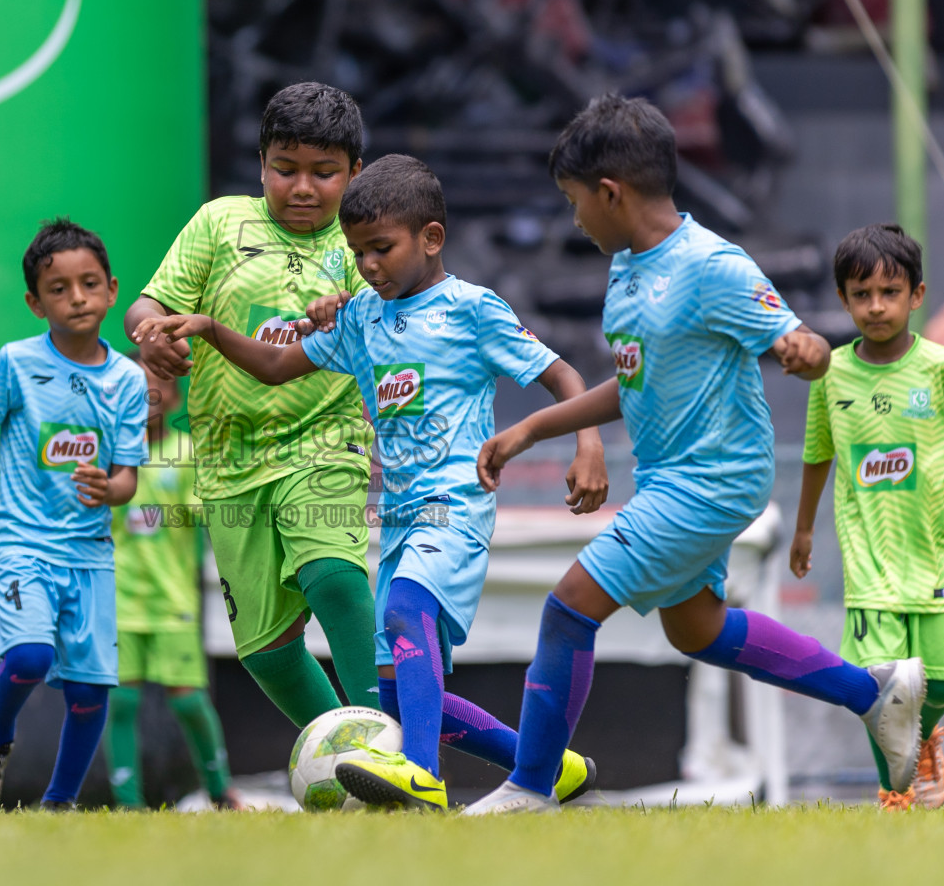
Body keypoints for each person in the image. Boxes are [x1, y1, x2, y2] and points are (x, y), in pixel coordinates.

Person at [463, 94, 929, 815]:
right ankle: (874, 694)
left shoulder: (713, 265)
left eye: (575, 200)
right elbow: (637, 381)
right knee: (697, 629)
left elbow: (790, 340)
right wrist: (536, 428)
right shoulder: (626, 267)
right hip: (670, 481)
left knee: (568, 610)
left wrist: (801, 351)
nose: (575, 217)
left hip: (711, 483)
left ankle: (530, 786)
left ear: (611, 193)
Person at [135, 153, 606, 811]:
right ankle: (551, 767)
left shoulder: (472, 309)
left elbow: (562, 375)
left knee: (404, 609)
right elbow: (274, 365)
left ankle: (418, 775)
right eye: (358, 254)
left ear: (431, 239)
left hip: (457, 502)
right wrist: (212, 329)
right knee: (399, 694)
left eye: (381, 249)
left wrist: (587, 443)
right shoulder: (360, 318)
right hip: (403, 512)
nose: (369, 266)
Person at [123, 82, 381, 727]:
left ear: (354, 174)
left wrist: (348, 308)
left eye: (324, 173)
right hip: (229, 460)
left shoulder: (362, 243)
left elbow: (393, 312)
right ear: (261, 163)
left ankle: (394, 748)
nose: (302, 187)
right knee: (266, 651)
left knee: (336, 579)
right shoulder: (218, 222)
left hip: (326, 442)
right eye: (285, 169)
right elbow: (150, 304)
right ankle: (350, 755)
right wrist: (149, 333)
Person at [0, 218, 147, 811]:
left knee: (90, 689)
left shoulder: (128, 380)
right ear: (34, 301)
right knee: (29, 657)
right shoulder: (16, 363)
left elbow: (127, 476)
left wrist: (112, 488)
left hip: (91, 554)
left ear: (112, 289)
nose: (76, 297)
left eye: (90, 284)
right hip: (23, 543)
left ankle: (60, 804)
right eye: (59, 288)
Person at [792, 223, 944, 811]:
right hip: (869, 567)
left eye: (889, 292)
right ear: (843, 299)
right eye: (861, 294)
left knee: (942, 683)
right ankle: (895, 794)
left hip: (934, 559)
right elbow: (818, 456)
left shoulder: (943, 371)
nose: (875, 306)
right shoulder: (830, 374)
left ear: (916, 295)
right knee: (880, 690)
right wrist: (804, 527)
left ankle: (925, 737)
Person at [103, 357, 241, 810]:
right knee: (121, 704)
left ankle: (221, 791)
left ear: (176, 395)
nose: (146, 396)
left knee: (187, 703)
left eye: (157, 384)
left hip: (174, 602)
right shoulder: (106, 454)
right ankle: (128, 806)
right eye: (134, 386)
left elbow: (208, 515)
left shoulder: (186, 452)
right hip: (119, 602)